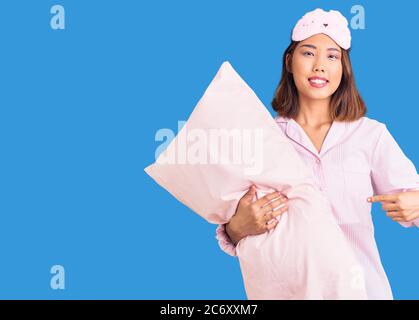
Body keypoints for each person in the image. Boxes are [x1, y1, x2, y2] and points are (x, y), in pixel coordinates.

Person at [216, 8, 419, 299]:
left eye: (332, 56)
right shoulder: (262, 138)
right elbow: (235, 221)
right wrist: (236, 229)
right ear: (289, 62)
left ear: (343, 68)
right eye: (308, 53)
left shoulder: (370, 135)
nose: (319, 66)